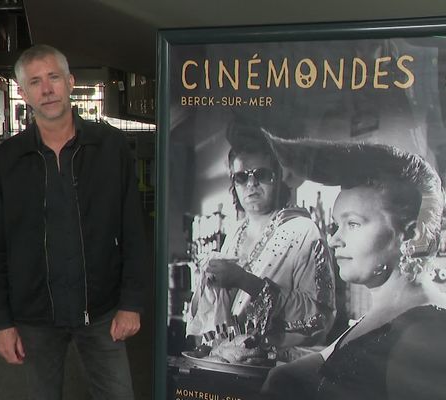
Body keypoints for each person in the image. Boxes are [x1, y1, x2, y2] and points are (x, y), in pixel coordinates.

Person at [0, 44, 146, 400]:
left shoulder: (110, 146)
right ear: (24, 94)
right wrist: (3, 323)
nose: (47, 89)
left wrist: (131, 302)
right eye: (35, 82)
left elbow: (133, 229)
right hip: (36, 315)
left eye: (54, 78)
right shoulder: (8, 159)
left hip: (102, 310)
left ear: (70, 82)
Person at [261, 134, 446, 400]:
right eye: (336, 224)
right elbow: (335, 359)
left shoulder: (424, 334)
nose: (334, 239)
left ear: (411, 234)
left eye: (354, 224)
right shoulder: (387, 316)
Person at [186, 122, 336, 361]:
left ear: (279, 179)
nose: (251, 184)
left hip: (279, 370)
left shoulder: (302, 231)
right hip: (231, 364)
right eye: (242, 177)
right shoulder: (235, 233)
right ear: (234, 183)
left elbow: (321, 318)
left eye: (262, 175)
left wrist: (245, 280)